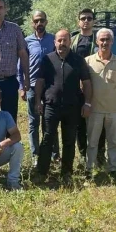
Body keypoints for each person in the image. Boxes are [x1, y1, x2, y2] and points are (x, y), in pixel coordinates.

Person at [34, 30, 93, 185]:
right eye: (59, 40)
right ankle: (42, 172)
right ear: (55, 42)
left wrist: (87, 103)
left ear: (69, 42)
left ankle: (66, 173)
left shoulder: (78, 60)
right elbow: (40, 81)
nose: (62, 43)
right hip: (51, 106)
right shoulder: (47, 59)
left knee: (69, 141)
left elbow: (86, 83)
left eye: (65, 40)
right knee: (47, 139)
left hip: (72, 107)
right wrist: (37, 101)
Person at [85, 28, 116, 178]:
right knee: (92, 142)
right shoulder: (88, 61)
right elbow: (83, 85)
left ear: (112, 41)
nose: (105, 42)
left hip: (114, 108)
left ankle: (113, 169)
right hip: (94, 109)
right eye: (102, 40)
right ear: (97, 41)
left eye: (107, 39)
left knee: (113, 141)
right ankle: (89, 169)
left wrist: (111, 96)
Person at [17, 10, 57, 165]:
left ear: (46, 22)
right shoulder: (26, 42)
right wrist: (21, 86)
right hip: (32, 87)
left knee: (50, 121)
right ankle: (35, 154)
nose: (39, 23)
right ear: (32, 23)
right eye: (36, 21)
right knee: (34, 122)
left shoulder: (53, 40)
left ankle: (54, 154)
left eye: (42, 20)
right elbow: (20, 66)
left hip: (51, 86)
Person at [71, 8, 104, 163]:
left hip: (97, 85)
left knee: (99, 121)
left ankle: (99, 154)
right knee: (79, 123)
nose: (86, 21)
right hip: (77, 87)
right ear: (78, 21)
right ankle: (84, 155)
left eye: (89, 18)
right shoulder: (73, 40)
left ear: (94, 21)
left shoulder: (99, 40)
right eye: (83, 18)